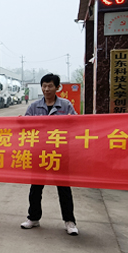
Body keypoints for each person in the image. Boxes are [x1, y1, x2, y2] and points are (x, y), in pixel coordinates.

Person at [20, 73, 79, 236]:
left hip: (60, 154)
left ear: (57, 87)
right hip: (39, 154)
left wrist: (71, 121)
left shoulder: (66, 105)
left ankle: (69, 221)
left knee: (64, 189)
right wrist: (20, 122)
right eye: (44, 86)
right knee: (36, 188)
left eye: (50, 86)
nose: (46, 89)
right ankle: (33, 218)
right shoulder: (34, 106)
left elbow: (77, 125)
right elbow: (25, 126)